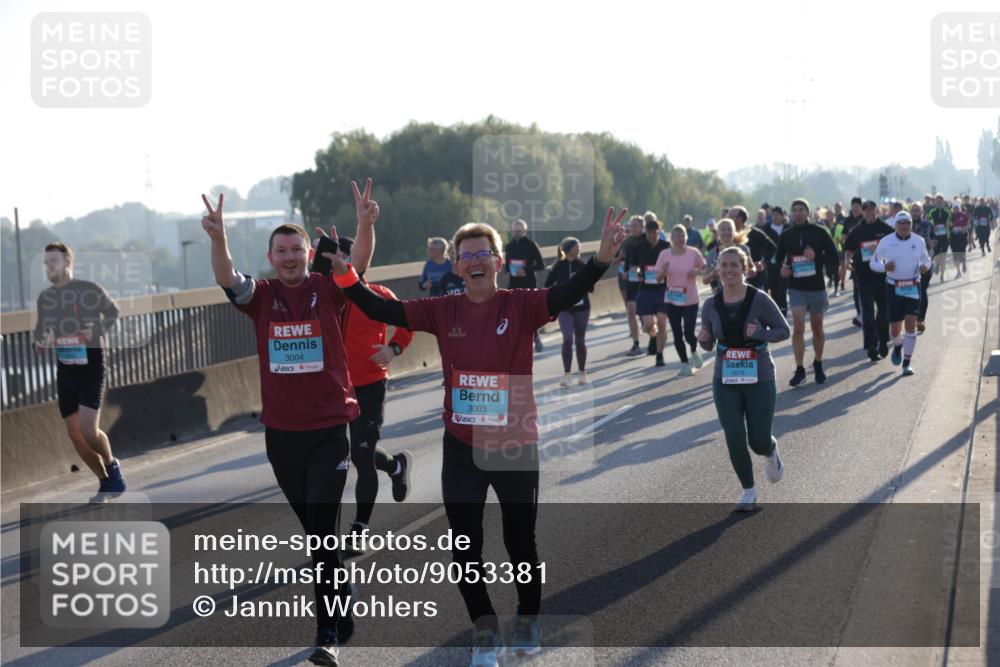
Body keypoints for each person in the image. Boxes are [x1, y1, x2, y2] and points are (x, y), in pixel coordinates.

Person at [327, 206, 629, 666]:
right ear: (456, 265)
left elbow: (568, 293)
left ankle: (528, 618)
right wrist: (348, 275)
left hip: (512, 444)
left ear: (498, 261)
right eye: (466, 255)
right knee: (464, 546)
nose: (475, 261)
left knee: (519, 541)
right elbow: (381, 306)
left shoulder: (522, 305)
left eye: (483, 254)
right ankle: (486, 632)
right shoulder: (443, 309)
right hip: (462, 445)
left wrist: (600, 260)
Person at [200, 180, 377, 667]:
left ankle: (326, 635)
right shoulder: (262, 295)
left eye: (297, 249)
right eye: (282, 251)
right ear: (272, 256)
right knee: (319, 538)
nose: (290, 257)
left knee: (321, 534)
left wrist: (364, 226)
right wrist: (218, 240)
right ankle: (342, 597)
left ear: (308, 253)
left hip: (328, 432)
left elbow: (357, 266)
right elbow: (227, 277)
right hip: (282, 438)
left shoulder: (328, 289)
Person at [332, 233, 416, 554]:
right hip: (336, 389)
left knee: (363, 456)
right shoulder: (328, 299)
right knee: (347, 456)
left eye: (347, 256)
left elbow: (406, 324)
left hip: (369, 386)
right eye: (336, 257)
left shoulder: (379, 296)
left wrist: (393, 348)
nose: (342, 262)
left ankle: (360, 529)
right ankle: (396, 465)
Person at [698, 247, 789, 511]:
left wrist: (761, 332)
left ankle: (771, 451)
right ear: (718, 270)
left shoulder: (759, 299)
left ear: (745, 268)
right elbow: (707, 343)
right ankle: (748, 491)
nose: (728, 270)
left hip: (759, 374)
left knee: (757, 440)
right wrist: (704, 341)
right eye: (723, 265)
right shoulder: (710, 305)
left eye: (734, 265)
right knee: (734, 435)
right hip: (725, 377)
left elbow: (784, 330)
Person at [32, 242, 125, 503]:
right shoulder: (45, 298)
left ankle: (112, 464)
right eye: (46, 263)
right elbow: (41, 330)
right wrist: (39, 342)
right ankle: (105, 482)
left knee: (87, 429)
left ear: (67, 263)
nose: (49, 267)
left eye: (54, 262)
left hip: (92, 367)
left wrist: (93, 332)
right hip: (66, 370)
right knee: (74, 434)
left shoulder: (88, 290)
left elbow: (113, 313)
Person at [774, 198, 839, 386]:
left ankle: (818, 362)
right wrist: (782, 269)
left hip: (817, 287)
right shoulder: (786, 235)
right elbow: (778, 260)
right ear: (791, 214)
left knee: (817, 328)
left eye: (801, 209)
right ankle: (800, 368)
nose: (798, 213)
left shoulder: (819, 232)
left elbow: (834, 257)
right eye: (794, 210)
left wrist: (815, 257)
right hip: (796, 288)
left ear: (808, 213)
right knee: (799, 327)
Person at [869, 212, 932, 376]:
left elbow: (927, 260)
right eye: (901, 223)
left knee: (911, 323)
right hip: (893, 287)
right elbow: (873, 263)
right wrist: (884, 267)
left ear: (911, 225)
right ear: (895, 225)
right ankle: (897, 345)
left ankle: (907, 362)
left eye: (907, 223)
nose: (904, 226)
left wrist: (925, 266)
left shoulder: (918, 241)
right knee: (896, 329)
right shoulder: (887, 241)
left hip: (913, 285)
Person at [843, 200, 894, 362]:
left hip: (883, 276)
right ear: (863, 213)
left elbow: (896, 245)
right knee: (868, 312)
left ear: (877, 211)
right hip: (863, 276)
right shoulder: (858, 231)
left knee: (883, 311)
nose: (869, 213)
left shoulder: (885, 229)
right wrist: (846, 261)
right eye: (866, 211)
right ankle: (871, 346)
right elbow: (848, 248)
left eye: (872, 210)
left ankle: (884, 341)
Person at [656, 224, 706, 376]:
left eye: (683, 235)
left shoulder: (693, 253)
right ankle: (684, 363)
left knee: (689, 333)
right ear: (672, 238)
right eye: (678, 236)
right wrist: (663, 273)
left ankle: (693, 350)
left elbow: (704, 268)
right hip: (672, 299)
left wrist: (696, 271)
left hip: (690, 298)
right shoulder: (665, 255)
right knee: (677, 333)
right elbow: (658, 279)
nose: (681, 239)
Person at [545, 237, 593, 386]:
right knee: (567, 339)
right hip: (565, 308)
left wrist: (581, 282)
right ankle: (566, 374)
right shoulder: (559, 266)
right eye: (576, 246)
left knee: (579, 340)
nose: (578, 248)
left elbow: (591, 288)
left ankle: (582, 373)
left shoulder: (582, 265)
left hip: (582, 308)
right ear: (568, 249)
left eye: (579, 246)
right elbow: (547, 285)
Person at [504, 219, 546, 352]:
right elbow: (507, 262)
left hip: (529, 283)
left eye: (519, 231)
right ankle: (520, 340)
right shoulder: (509, 246)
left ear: (525, 231)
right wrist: (506, 271)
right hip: (514, 283)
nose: (517, 233)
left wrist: (526, 269)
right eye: (515, 230)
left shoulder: (531, 245)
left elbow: (540, 265)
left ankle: (535, 337)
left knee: (528, 312)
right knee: (513, 312)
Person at [634, 217, 671, 366]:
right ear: (646, 232)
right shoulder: (640, 246)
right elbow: (634, 265)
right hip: (646, 289)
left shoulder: (666, 246)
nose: (651, 235)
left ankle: (660, 355)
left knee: (662, 322)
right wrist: (637, 272)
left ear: (659, 232)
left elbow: (671, 263)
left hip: (662, 289)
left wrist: (665, 273)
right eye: (648, 233)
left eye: (654, 232)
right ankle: (653, 336)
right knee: (648, 324)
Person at [728, 205, 776, 290]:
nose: (727, 218)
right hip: (733, 279)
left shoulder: (755, 233)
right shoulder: (727, 235)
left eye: (731, 216)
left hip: (755, 280)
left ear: (740, 218)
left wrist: (763, 263)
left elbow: (773, 248)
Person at [617, 215, 646, 356]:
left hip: (647, 283)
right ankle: (636, 344)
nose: (633, 228)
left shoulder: (649, 240)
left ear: (642, 226)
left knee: (648, 322)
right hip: (631, 281)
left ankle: (653, 337)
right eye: (631, 226)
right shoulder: (627, 241)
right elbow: (625, 259)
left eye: (636, 226)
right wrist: (626, 271)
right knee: (630, 312)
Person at [704, 218, 752, 293]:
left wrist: (751, 270)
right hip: (721, 296)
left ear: (734, 232)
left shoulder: (743, 249)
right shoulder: (712, 254)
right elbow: (705, 280)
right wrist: (713, 274)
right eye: (723, 230)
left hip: (742, 293)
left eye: (729, 229)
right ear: (718, 233)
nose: (726, 232)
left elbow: (752, 270)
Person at [909, 203, 934, 333]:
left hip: (925, 263)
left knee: (922, 290)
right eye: (913, 210)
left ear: (921, 211)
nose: (915, 212)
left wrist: (932, 242)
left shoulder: (928, 225)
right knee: (911, 292)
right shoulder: (905, 226)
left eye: (917, 210)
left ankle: (920, 319)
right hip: (908, 264)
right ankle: (911, 318)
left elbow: (934, 239)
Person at [761, 205, 789, 315]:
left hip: (785, 264)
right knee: (773, 288)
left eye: (777, 215)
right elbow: (761, 245)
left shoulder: (788, 228)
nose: (775, 217)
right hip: (771, 265)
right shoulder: (766, 229)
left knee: (783, 288)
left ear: (782, 216)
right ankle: (777, 308)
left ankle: (783, 309)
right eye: (773, 215)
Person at [928, 194, 952, 283]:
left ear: (943, 201)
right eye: (937, 200)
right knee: (936, 255)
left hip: (945, 236)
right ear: (935, 201)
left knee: (944, 256)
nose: (939, 202)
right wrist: (933, 226)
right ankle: (937, 264)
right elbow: (929, 221)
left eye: (940, 200)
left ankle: (942, 276)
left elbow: (951, 222)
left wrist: (948, 225)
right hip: (936, 236)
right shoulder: (932, 212)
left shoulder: (948, 211)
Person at [949, 202, 970, 277]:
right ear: (952, 209)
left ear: (959, 209)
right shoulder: (950, 216)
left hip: (962, 237)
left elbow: (968, 225)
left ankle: (963, 262)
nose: (956, 210)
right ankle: (958, 272)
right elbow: (947, 225)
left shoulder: (964, 215)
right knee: (955, 254)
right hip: (953, 237)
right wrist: (950, 227)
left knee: (962, 252)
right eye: (954, 208)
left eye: (957, 208)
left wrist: (963, 228)